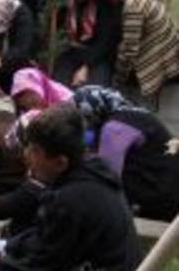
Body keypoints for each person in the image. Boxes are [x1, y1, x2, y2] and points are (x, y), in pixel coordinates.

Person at [0, 105, 142, 271]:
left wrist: (2, 262)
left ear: (60, 162)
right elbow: (46, 237)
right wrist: (7, 248)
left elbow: (45, 267)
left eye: (35, 151)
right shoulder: (93, 170)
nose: (27, 156)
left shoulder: (71, 199)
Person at [73, 86, 179, 221]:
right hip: (169, 188)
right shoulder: (136, 113)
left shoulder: (115, 127)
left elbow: (107, 174)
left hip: (163, 198)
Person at [55, 0, 122, 88]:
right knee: (60, 86)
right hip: (72, 52)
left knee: (93, 89)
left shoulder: (105, 5)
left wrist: (86, 67)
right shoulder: (67, 1)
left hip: (98, 56)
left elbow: (105, 42)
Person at [114, 0, 179, 104]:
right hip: (170, 52)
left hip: (158, 61)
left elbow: (130, 50)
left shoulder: (133, 5)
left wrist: (118, 80)